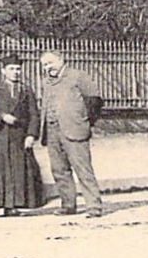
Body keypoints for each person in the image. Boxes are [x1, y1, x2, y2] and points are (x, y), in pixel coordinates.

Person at [38, 50, 105, 218]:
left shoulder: (78, 76)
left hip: (74, 129)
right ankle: (68, 205)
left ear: (61, 60)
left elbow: (94, 101)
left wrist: (86, 122)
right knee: (59, 170)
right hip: (52, 130)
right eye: (45, 65)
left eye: (50, 63)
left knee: (83, 169)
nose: (48, 68)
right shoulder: (46, 81)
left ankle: (94, 206)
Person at [0, 55, 44, 218]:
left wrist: (31, 135)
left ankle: (12, 205)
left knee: (17, 170)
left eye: (18, 69)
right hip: (0, 135)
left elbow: (34, 115)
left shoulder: (26, 90)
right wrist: (1, 117)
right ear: (3, 71)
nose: (15, 72)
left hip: (19, 136)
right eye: (11, 69)